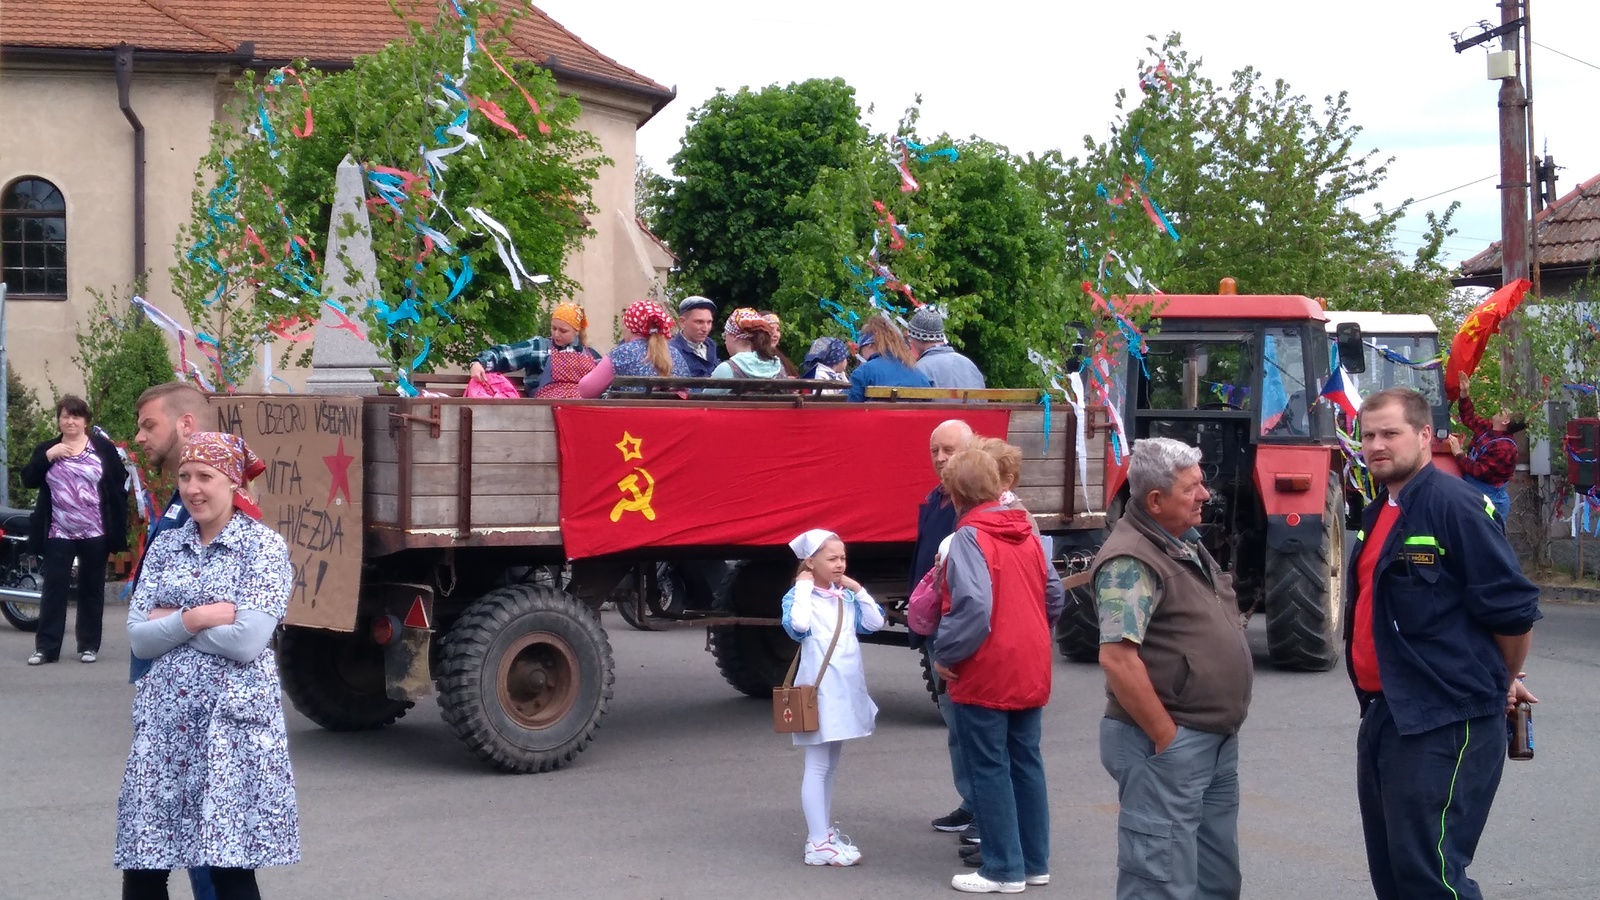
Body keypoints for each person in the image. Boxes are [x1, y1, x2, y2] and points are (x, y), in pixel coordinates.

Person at [1350, 388, 1541, 900]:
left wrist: (1504, 680)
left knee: (1430, 878)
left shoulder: (1453, 504)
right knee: (1394, 872)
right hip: (1390, 712)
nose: (1376, 446)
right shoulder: (1378, 513)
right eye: (1368, 435)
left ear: (1425, 436)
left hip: (1446, 718)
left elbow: (1514, 611)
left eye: (1390, 433)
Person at [117, 432, 299, 899]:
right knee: (144, 863)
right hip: (163, 729)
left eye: (205, 477)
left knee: (228, 868)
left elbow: (247, 641)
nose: (193, 488)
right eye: (184, 477)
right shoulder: (166, 545)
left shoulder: (263, 549)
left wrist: (171, 622)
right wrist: (198, 616)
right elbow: (138, 637)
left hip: (228, 730)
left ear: (233, 482)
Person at [1092, 436, 1254, 900]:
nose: (1205, 495)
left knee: (1214, 878)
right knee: (1159, 881)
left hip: (1210, 740)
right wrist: (1167, 739)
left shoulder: (1180, 542)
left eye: (1202, 483)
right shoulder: (1131, 559)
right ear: (1155, 500)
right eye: (1192, 488)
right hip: (1166, 744)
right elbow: (1117, 659)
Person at [932, 450, 1065, 893]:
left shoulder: (970, 536)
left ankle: (1002, 868)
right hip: (1030, 659)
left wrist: (946, 654)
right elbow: (1054, 594)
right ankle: (1033, 861)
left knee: (989, 766)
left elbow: (973, 606)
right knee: (1027, 761)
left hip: (986, 664)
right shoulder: (1026, 527)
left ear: (958, 491)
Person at [129, 381, 218, 900]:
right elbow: (143, 617)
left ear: (186, 426)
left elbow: (232, 622)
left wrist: (173, 620)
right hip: (163, 691)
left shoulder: (218, 507)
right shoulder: (183, 500)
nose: (139, 436)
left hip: (199, 701)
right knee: (157, 839)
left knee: (206, 850)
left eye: (149, 425)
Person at [780, 528, 886, 867]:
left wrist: (856, 588)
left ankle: (823, 833)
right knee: (817, 765)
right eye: (832, 558)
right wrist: (803, 585)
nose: (840, 564)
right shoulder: (800, 597)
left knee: (830, 766)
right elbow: (797, 625)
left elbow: (876, 621)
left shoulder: (845, 597)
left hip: (845, 691)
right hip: (818, 692)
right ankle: (816, 841)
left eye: (843, 558)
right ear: (810, 562)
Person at [911, 420, 981, 844]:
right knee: (956, 726)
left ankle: (984, 814)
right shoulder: (938, 498)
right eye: (935, 450)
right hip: (939, 628)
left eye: (949, 450)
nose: (940, 458)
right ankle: (971, 804)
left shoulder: (973, 508)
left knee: (972, 727)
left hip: (959, 633)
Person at [21, 394, 129, 666]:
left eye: (76, 416)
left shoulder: (102, 448)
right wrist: (48, 457)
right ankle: (46, 648)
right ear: (59, 420)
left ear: (85, 421)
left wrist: (117, 521)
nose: (70, 421)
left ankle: (89, 645)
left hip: (95, 531)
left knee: (92, 589)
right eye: (65, 416)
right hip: (59, 531)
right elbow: (28, 479)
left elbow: (119, 483)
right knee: (53, 590)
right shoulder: (48, 448)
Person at [469, 302, 603, 398]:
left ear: (577, 331)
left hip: (582, 413)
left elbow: (605, 388)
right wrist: (480, 362)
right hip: (544, 415)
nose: (556, 334)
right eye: (553, 328)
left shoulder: (592, 356)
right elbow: (506, 353)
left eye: (563, 331)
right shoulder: (539, 347)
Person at [1447, 373, 1523, 521]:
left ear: (1506, 421)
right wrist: (1464, 394)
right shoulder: (1489, 428)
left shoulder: (1505, 448)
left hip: (1490, 498)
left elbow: (1480, 471)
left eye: (1505, 412)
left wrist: (1458, 453)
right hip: (1475, 491)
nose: (1501, 409)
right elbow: (1469, 418)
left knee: (1487, 540)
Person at [577, 300, 688, 397]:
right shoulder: (675, 354)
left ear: (630, 326)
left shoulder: (623, 353)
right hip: (671, 420)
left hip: (629, 419)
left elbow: (586, 391)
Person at [847, 315, 931, 403]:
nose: (862, 356)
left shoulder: (863, 373)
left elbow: (849, 407)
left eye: (861, 350)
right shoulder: (919, 375)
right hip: (914, 416)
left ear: (870, 345)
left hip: (877, 416)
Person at [906, 306, 985, 390]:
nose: (910, 342)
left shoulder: (920, 369)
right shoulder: (969, 365)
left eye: (910, 338)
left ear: (917, 338)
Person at [710, 308, 786, 383]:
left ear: (734, 336)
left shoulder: (727, 369)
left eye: (725, 336)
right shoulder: (778, 367)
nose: (725, 342)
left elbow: (703, 395)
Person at [671, 295, 721, 378]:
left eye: (709, 322)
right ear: (682, 322)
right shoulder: (672, 350)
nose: (705, 329)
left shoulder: (711, 345)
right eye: (699, 322)